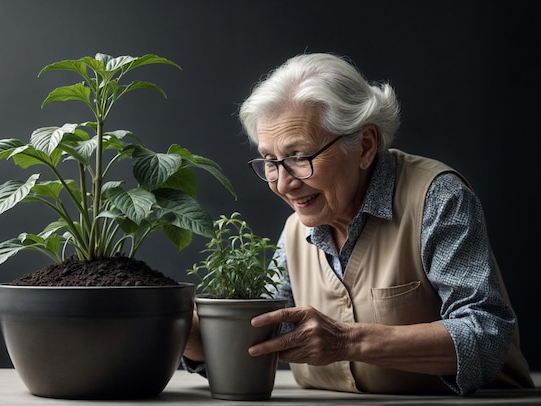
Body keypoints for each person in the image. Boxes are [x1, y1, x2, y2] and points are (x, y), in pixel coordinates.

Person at [182, 53, 534, 395]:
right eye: (270, 161)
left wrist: (347, 340)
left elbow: (487, 335)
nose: (284, 183)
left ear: (365, 145)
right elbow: (264, 339)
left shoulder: (436, 198)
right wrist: (180, 329)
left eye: (299, 157)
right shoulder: (297, 227)